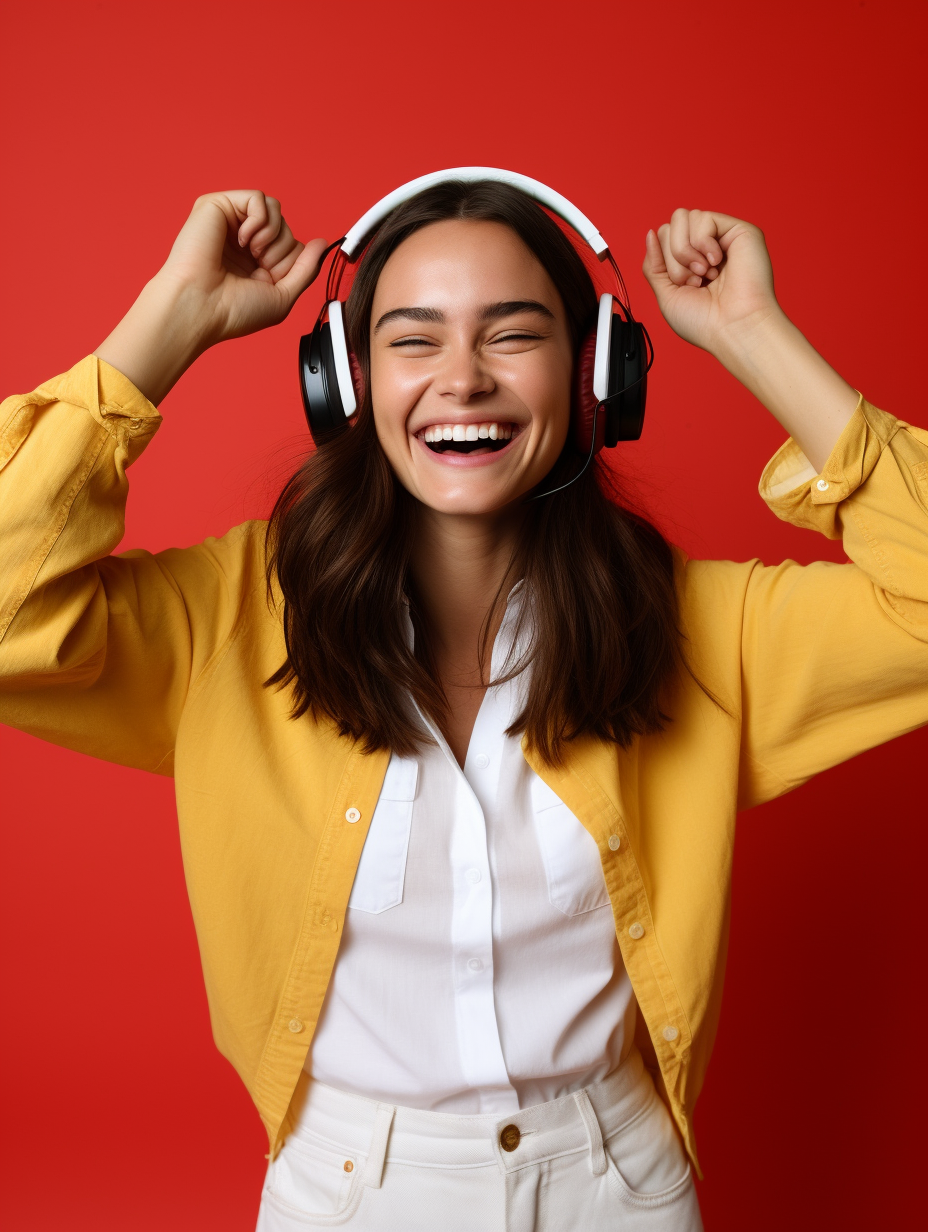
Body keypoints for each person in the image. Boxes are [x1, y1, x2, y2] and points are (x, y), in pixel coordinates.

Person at [0, 174, 924, 1232]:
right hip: (348, 1192)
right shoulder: (226, 620)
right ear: (344, 380)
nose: (464, 380)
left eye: (512, 334)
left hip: (619, 1185)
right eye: (413, 339)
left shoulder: (697, 630)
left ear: (592, 371)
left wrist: (758, 337)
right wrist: (165, 325)